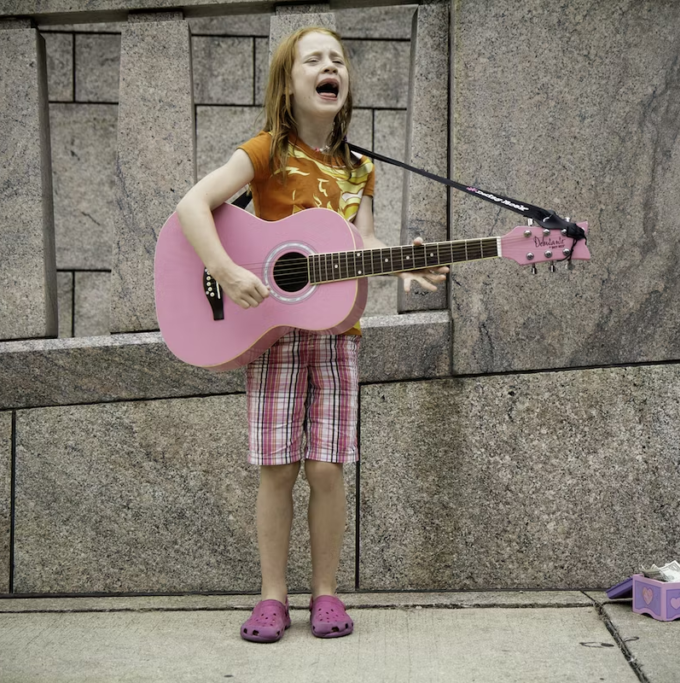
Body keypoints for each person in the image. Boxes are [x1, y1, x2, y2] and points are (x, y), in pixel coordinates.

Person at [175, 26, 448, 643]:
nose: (330, 66)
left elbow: (364, 242)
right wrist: (225, 268)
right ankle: (272, 597)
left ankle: (326, 593)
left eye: (338, 59)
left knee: (327, 470)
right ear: (288, 84)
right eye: (313, 59)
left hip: (337, 335)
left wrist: (404, 260)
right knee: (279, 468)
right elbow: (193, 205)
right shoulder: (267, 150)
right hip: (270, 332)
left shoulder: (360, 168)